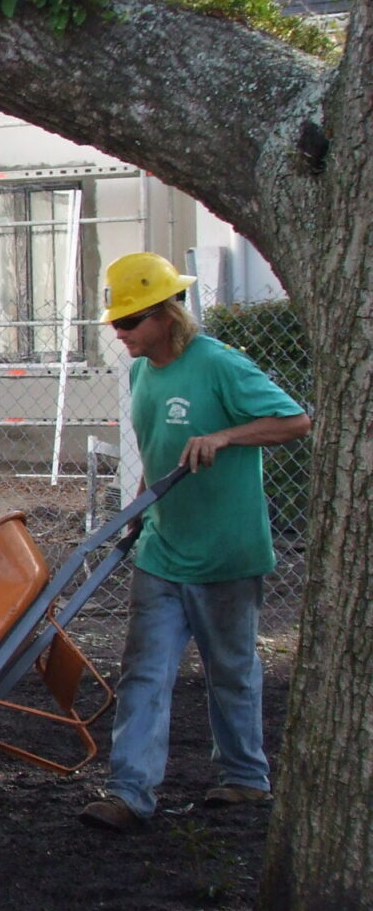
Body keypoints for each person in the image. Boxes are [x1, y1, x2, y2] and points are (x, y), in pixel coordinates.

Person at [80, 253, 310, 833]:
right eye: (116, 323)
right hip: (162, 548)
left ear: (165, 316)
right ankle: (129, 792)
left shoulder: (220, 366)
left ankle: (245, 779)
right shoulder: (140, 373)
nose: (120, 333)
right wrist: (139, 504)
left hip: (226, 553)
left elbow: (294, 421)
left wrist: (226, 436)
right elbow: (156, 444)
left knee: (230, 670)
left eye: (130, 322)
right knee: (143, 670)